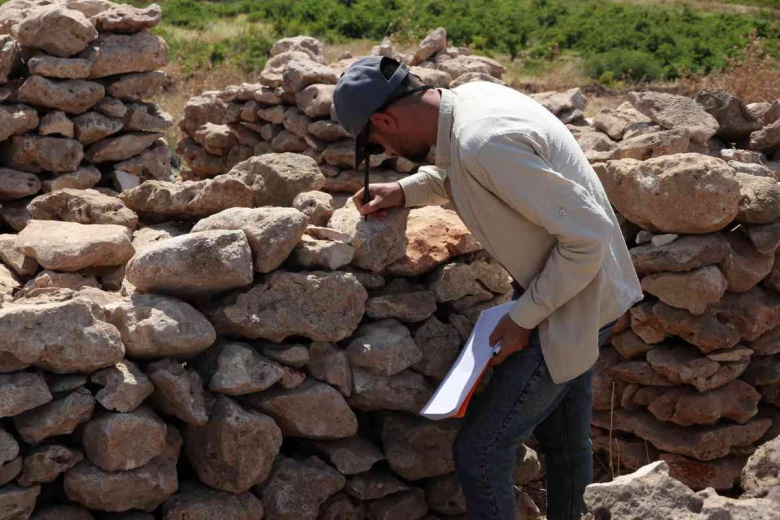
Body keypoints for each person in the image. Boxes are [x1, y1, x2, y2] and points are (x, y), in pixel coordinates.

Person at [333, 56, 642, 520]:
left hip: (572, 299)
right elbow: (462, 170)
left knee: (480, 454)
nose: (389, 154)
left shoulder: (484, 142)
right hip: (575, 290)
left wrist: (522, 319)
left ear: (385, 119)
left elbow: (587, 237)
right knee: (565, 444)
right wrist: (404, 190)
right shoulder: (470, 103)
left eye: (378, 144)